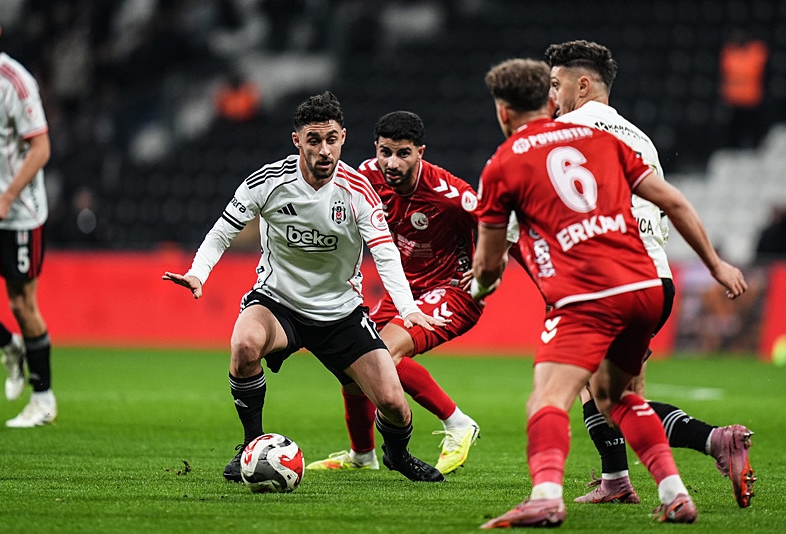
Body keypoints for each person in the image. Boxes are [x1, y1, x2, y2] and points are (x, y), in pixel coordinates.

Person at [473, 58, 747, 528]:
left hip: (588, 293)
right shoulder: (607, 139)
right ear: (546, 99)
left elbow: (490, 260)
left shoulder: (504, 164)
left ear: (503, 113)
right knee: (615, 397)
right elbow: (674, 201)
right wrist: (717, 264)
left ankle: (544, 497)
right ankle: (672, 492)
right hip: (646, 285)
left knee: (547, 399)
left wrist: (482, 284)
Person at [164, 91, 447, 484]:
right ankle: (251, 443)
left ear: (343, 138)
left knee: (395, 404)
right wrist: (199, 272)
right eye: (314, 140)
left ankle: (397, 454)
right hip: (279, 303)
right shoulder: (267, 182)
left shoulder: (359, 192)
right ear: (297, 140)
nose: (324, 150)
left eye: (331, 139)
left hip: (341, 313)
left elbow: (385, 255)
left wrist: (408, 308)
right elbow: (222, 232)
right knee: (244, 345)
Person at [546, 40, 755, 508]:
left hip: (606, 278)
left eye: (557, 84)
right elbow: (665, 207)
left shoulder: (565, 132)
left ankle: (716, 440)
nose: (552, 94)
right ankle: (617, 480)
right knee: (627, 392)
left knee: (601, 394)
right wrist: (714, 264)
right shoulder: (639, 137)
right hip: (654, 279)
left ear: (583, 85)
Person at [306, 111, 481, 475]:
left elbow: (503, 225)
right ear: (375, 148)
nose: (392, 162)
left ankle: (458, 422)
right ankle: (362, 455)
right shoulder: (364, 177)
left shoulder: (451, 195)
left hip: (452, 291)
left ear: (421, 152)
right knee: (351, 364)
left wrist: (486, 272)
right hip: (404, 292)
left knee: (381, 355)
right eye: (385, 151)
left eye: (403, 153)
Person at [0, 2, 56, 427]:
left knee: (20, 302)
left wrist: (8, 197)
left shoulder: (14, 81)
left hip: (18, 213)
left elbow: (41, 148)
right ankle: (8, 346)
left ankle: (43, 400)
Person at [719, 28, 769, 148]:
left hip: (752, 100)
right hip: (734, 101)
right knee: (734, 134)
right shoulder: (729, 51)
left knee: (754, 133)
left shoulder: (757, 50)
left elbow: (758, 68)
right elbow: (726, 72)